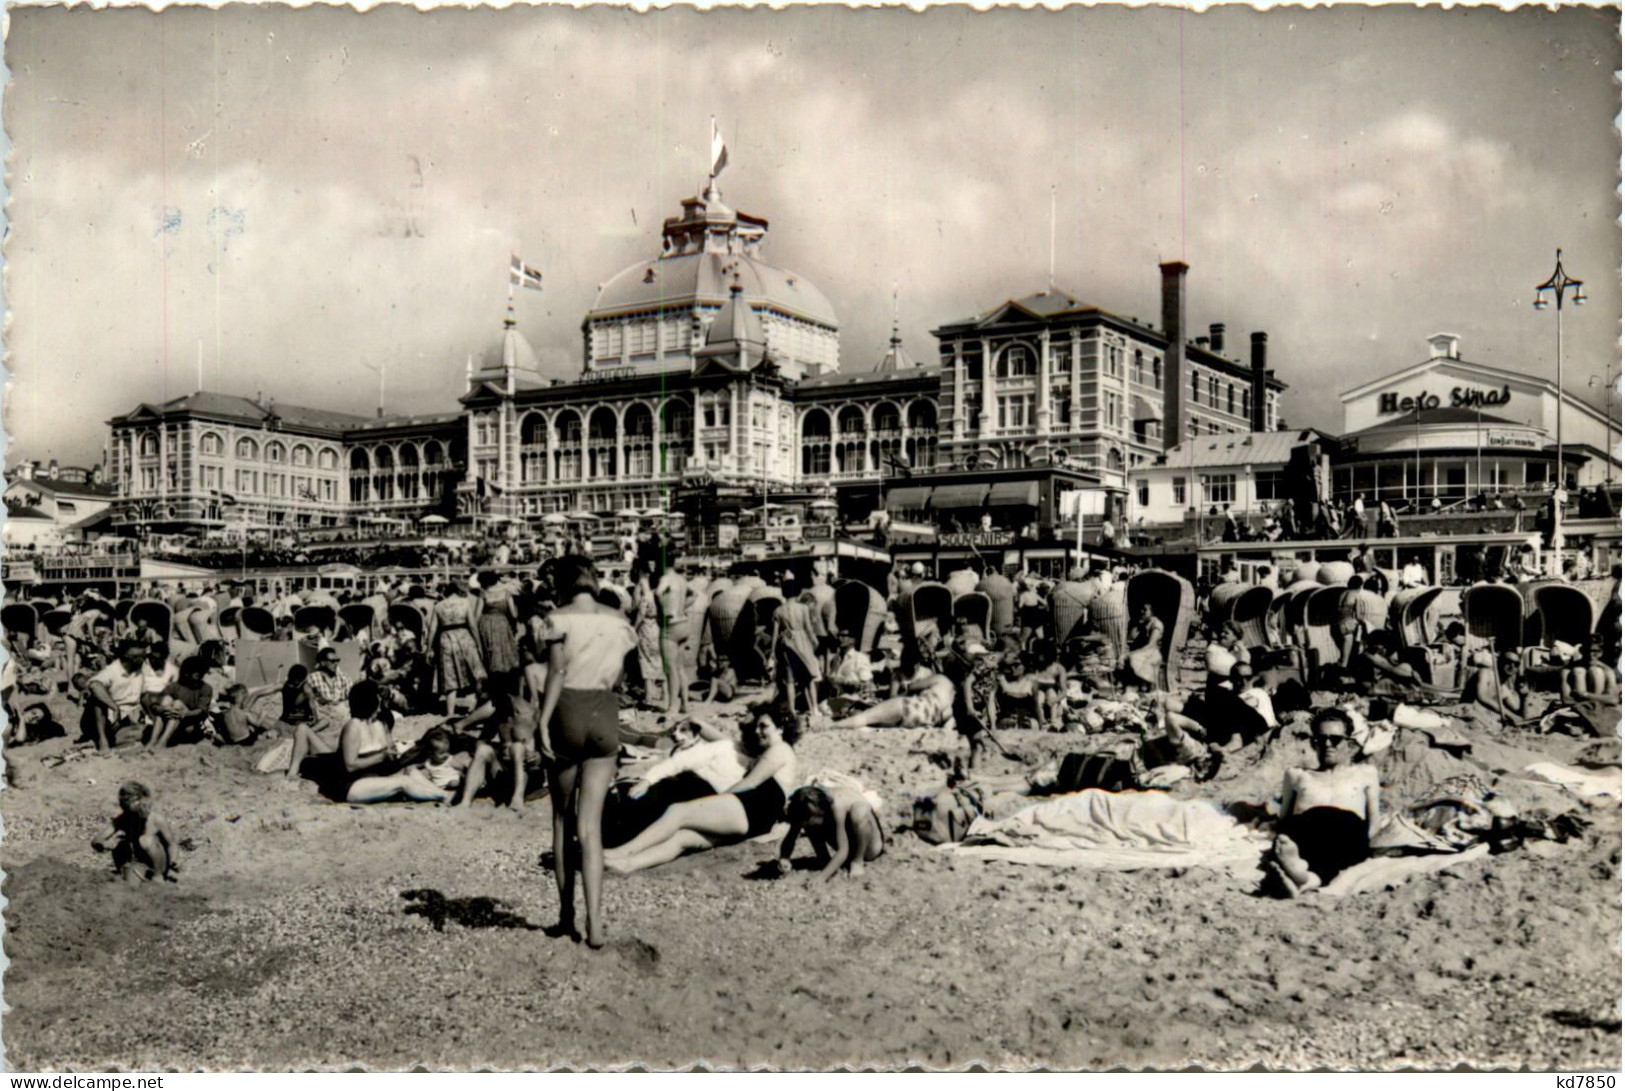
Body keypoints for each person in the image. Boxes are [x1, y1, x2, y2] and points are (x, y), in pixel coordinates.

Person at [538, 557, 638, 948]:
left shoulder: (557, 618)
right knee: (591, 829)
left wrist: (543, 720)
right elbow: (619, 676)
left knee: (563, 822)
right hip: (604, 711)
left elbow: (557, 672)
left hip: (568, 710)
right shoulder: (618, 621)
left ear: (562, 584)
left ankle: (566, 917)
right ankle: (596, 924)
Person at [605, 707, 799, 875]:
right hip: (757, 818)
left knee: (678, 812)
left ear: (781, 728)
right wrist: (696, 721)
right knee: (684, 838)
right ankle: (628, 865)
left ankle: (624, 852)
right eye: (757, 726)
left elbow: (750, 783)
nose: (758, 731)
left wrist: (716, 801)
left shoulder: (780, 749)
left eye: (764, 726)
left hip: (752, 808)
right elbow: (725, 740)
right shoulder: (767, 752)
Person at [1266, 708, 1380, 897]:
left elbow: (1374, 820)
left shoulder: (1365, 774)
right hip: (1307, 830)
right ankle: (1303, 874)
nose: (1327, 744)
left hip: (1346, 832)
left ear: (1349, 744)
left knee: (1347, 839)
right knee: (1292, 835)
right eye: (1320, 739)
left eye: (1335, 739)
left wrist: (1373, 850)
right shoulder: (1297, 775)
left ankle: (1303, 875)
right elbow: (1285, 817)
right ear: (1313, 743)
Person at [777, 785, 886, 881]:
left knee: (859, 812)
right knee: (810, 824)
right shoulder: (803, 802)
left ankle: (857, 861)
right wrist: (784, 858)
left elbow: (843, 849)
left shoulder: (836, 805)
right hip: (847, 834)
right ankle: (824, 860)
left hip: (870, 845)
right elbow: (792, 835)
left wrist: (821, 878)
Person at [92, 781, 178, 884]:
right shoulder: (124, 819)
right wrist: (103, 844)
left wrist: (174, 860)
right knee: (121, 845)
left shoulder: (156, 819)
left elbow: (172, 843)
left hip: (158, 862)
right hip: (137, 861)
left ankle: (158, 877)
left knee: (146, 840)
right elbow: (98, 839)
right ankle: (128, 874)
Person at [428, 580, 486, 717]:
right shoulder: (465, 603)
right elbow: (472, 625)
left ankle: (450, 711)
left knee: (449, 675)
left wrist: (428, 648)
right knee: (476, 671)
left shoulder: (439, 606)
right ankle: (477, 705)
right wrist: (478, 644)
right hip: (464, 636)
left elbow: (432, 629)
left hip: (446, 638)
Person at [84, 641, 149, 751]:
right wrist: (114, 707)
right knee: (97, 700)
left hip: (127, 718)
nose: (143, 660)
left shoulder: (142, 668)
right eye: (137, 657)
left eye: (144, 656)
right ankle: (102, 740)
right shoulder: (112, 671)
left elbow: (145, 695)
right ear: (126, 657)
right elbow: (94, 685)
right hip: (103, 718)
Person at [146, 656, 214, 750]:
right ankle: (153, 741)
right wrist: (163, 709)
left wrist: (185, 713)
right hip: (172, 722)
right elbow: (154, 705)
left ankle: (162, 742)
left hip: (190, 724)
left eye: (200, 671)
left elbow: (201, 711)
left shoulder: (205, 688)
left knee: (177, 703)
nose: (199, 673)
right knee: (167, 700)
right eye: (195, 671)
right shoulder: (176, 686)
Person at [656, 563, 694, 717]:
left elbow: (658, 593)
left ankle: (673, 707)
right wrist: (681, 608)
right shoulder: (681, 579)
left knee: (670, 669)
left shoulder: (665, 578)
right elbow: (694, 595)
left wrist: (663, 612)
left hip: (670, 625)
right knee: (680, 668)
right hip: (684, 623)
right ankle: (685, 704)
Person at [630, 564, 665, 709]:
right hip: (657, 627)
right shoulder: (661, 595)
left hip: (646, 628)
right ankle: (663, 692)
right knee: (658, 660)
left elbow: (640, 614)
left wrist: (633, 628)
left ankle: (649, 695)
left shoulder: (648, 597)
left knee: (645, 660)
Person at [1123, 602, 1165, 692]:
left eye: (1145, 610)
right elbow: (1130, 638)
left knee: (1134, 657)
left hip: (1153, 652)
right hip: (1145, 651)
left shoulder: (1157, 624)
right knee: (1130, 656)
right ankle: (1133, 683)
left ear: (1152, 611)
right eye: (1142, 609)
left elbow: (1151, 644)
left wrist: (1133, 653)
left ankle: (1143, 684)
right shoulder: (1145, 623)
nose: (1142, 612)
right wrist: (1138, 625)